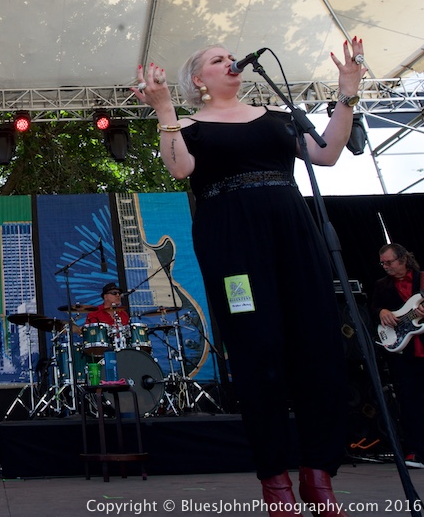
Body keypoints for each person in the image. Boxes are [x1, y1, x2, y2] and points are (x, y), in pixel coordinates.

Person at [130, 38, 365, 517]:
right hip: (232, 245)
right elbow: (179, 169)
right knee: (259, 351)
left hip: (293, 234)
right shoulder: (189, 126)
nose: (229, 61)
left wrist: (347, 91)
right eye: (216, 60)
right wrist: (164, 109)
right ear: (199, 79)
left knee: (319, 347)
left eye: (229, 56)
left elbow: (325, 155)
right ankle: (275, 479)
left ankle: (318, 473)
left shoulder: (276, 116)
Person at [372, 243, 424, 468]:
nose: (385, 266)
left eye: (389, 262)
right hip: (404, 351)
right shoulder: (381, 285)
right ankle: (416, 452)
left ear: (403, 259)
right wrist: (382, 312)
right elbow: (373, 310)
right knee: (410, 402)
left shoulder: (422, 279)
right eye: (382, 263)